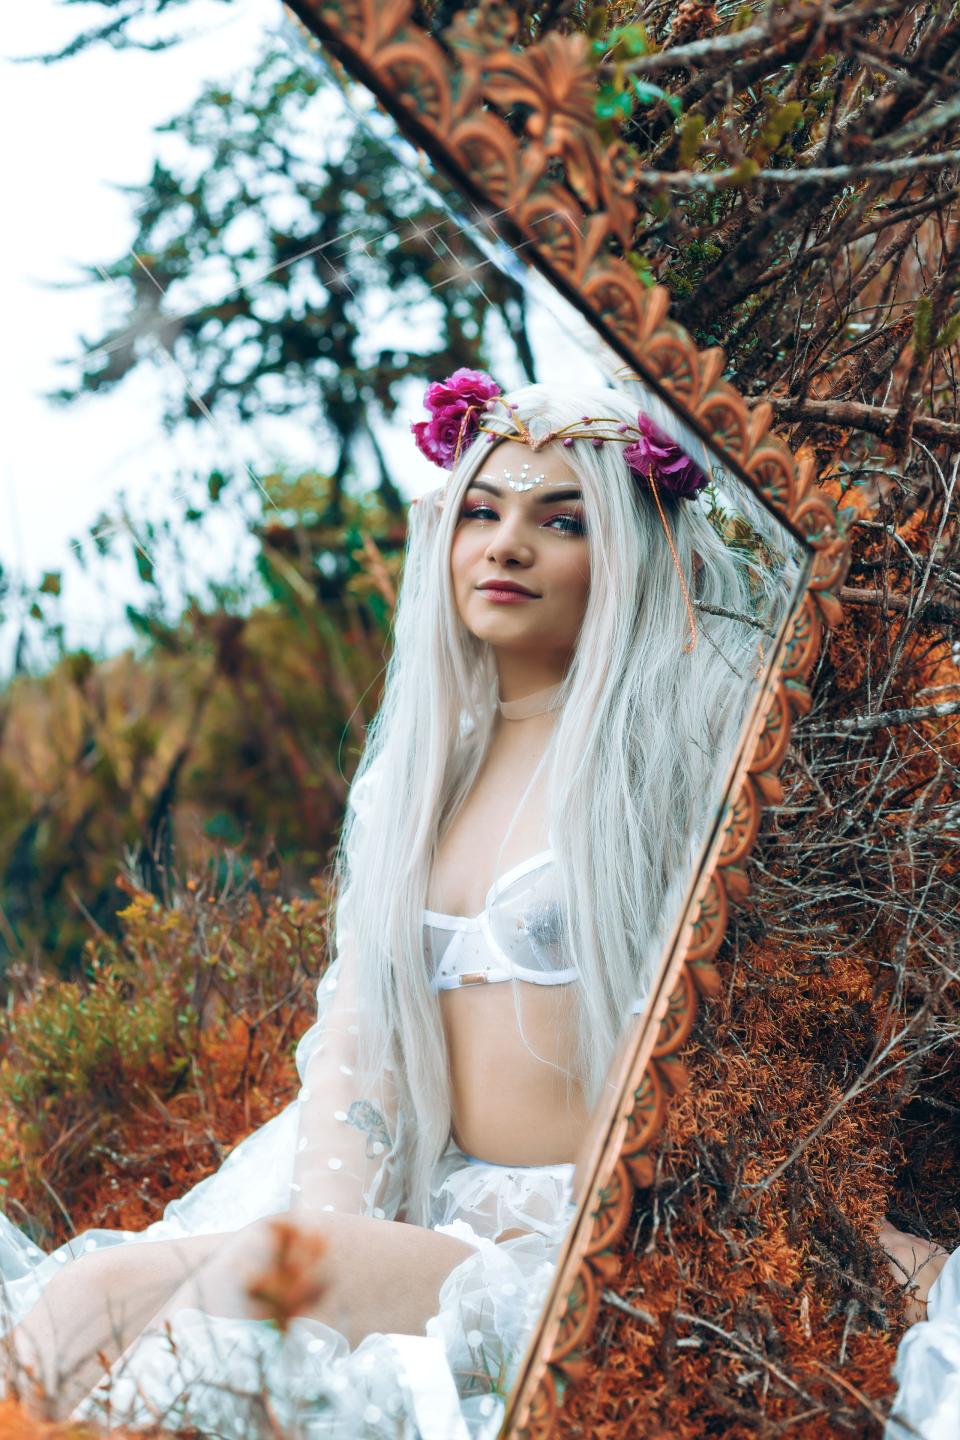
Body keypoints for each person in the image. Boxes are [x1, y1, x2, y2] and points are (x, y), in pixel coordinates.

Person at [0, 375, 789, 1438]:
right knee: (85, 1304)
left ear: (631, 551)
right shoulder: (422, 777)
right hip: (433, 1216)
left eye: (561, 521)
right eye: (482, 511)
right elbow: (359, 1041)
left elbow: (733, 1038)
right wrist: (334, 1231)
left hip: (575, 1248)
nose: (507, 546)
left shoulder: (677, 757)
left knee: (206, 1297)